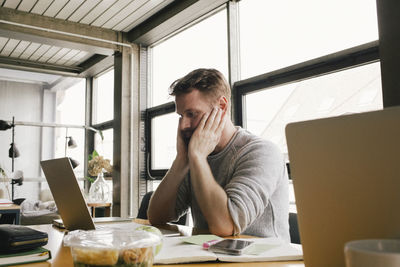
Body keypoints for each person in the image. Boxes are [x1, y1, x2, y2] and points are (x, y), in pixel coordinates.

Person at [148, 68, 290, 240]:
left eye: (192, 114)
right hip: (211, 258)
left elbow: (225, 226)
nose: (184, 125)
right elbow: (157, 217)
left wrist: (198, 159)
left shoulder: (262, 152)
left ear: (221, 107)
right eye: (181, 116)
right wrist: (181, 160)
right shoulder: (195, 154)